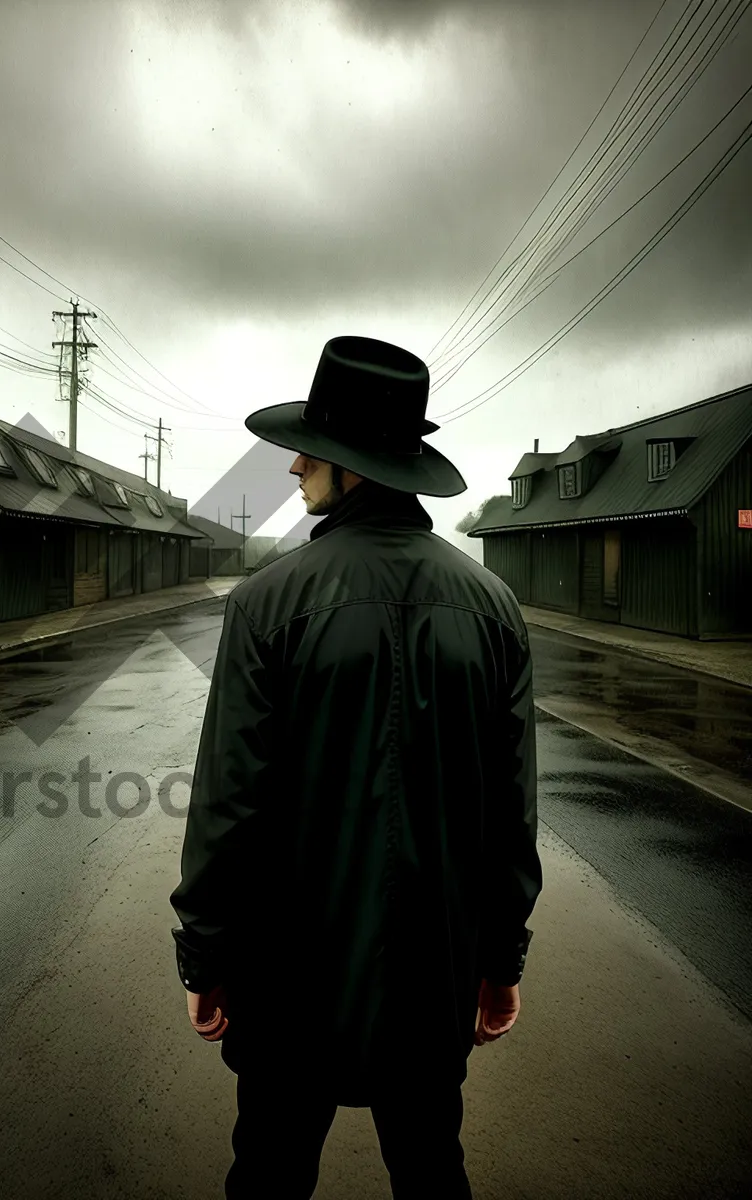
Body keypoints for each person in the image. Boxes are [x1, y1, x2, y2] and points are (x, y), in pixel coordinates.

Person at [169, 336, 542, 1199]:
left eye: (317, 450)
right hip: (433, 978)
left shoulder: (267, 604)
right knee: (430, 1172)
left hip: (283, 982)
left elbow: (229, 805)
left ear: (357, 469)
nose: (297, 463)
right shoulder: (494, 609)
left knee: (267, 1174)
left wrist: (206, 958)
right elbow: (511, 815)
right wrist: (500, 961)